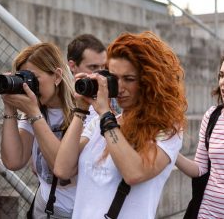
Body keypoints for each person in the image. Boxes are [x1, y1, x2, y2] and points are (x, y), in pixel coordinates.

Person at [54, 31, 187, 219]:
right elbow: (62, 169)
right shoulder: (98, 123)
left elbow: (134, 172)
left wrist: (105, 115)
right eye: (114, 78)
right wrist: (81, 109)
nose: (120, 87)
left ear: (150, 81)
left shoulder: (167, 131)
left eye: (129, 79)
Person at [0, 42, 77, 218]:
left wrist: (34, 113)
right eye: (24, 78)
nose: (30, 85)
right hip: (44, 209)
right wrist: (9, 107)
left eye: (34, 78)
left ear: (57, 76)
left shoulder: (83, 112)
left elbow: (63, 167)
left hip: (77, 211)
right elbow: (13, 161)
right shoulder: (35, 111)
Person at [175, 48, 224, 218]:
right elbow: (200, 168)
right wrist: (169, 151)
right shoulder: (212, 116)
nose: (223, 82)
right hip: (206, 213)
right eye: (221, 75)